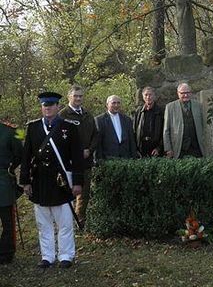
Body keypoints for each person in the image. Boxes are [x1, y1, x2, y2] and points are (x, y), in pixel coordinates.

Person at [20, 92, 84, 269]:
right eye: (44, 105)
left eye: (51, 105)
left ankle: (66, 255)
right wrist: (25, 181)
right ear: (41, 107)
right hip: (40, 181)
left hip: (61, 181)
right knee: (43, 222)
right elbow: (26, 156)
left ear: (57, 106)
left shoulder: (69, 128)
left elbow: (77, 157)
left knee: (64, 222)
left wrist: (77, 182)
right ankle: (47, 256)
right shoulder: (33, 127)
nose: (47, 108)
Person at [59, 85, 98, 225]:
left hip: (85, 161)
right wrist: (73, 153)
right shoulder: (62, 115)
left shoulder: (88, 115)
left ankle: (79, 220)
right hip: (68, 163)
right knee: (67, 193)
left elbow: (95, 135)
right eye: (75, 96)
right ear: (69, 97)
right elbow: (58, 139)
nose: (78, 98)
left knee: (84, 193)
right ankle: (66, 221)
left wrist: (89, 150)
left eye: (80, 96)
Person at [0, 111, 22, 265]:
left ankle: (6, 253)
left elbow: (20, 154)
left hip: (3, 183)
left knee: (7, 220)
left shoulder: (11, 131)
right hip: (4, 181)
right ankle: (6, 253)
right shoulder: (11, 131)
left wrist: (9, 169)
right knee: (7, 220)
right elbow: (19, 156)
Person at [163, 82, 205, 158]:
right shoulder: (170, 107)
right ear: (178, 93)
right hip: (179, 149)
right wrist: (168, 149)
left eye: (187, 92)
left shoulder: (198, 106)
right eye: (182, 93)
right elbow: (166, 130)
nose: (186, 95)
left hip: (196, 148)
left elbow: (204, 125)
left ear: (190, 93)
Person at [95, 95, 137, 160]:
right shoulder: (99, 120)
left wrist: (134, 157)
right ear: (107, 105)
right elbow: (98, 143)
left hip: (126, 159)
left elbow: (131, 140)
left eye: (118, 103)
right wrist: (99, 160)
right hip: (108, 159)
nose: (116, 105)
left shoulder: (127, 119)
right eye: (113, 103)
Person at [133, 87, 164, 158]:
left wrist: (159, 148)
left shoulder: (161, 111)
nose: (148, 97)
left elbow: (164, 132)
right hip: (141, 149)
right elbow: (134, 130)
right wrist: (135, 149)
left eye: (150, 95)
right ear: (143, 97)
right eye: (146, 95)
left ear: (154, 96)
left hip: (155, 149)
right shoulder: (139, 111)